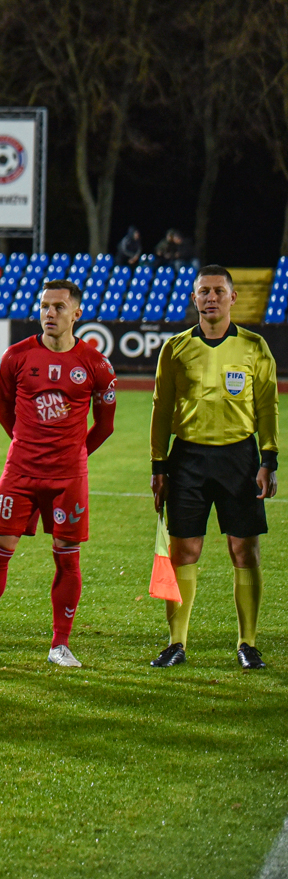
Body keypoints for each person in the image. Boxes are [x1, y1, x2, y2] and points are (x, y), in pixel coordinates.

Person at [0, 280, 116, 667]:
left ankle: (60, 645)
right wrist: (28, 446)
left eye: (58, 307)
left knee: (67, 559)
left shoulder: (96, 364)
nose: (49, 313)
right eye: (44, 306)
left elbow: (105, 425)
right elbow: (3, 410)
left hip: (68, 479)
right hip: (20, 472)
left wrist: (73, 455)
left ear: (77, 314)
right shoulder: (15, 356)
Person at [149, 264, 278, 669]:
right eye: (203, 291)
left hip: (240, 459)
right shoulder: (175, 348)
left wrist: (269, 458)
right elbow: (161, 408)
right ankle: (176, 643)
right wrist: (158, 464)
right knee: (184, 550)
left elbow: (267, 406)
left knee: (244, 549)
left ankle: (248, 643)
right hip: (187, 459)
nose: (211, 298)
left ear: (232, 297)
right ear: (193, 298)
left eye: (218, 291)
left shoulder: (255, 347)